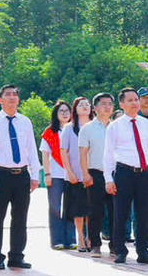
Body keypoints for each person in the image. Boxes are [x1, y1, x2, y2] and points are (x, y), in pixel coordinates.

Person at [0, 84, 41, 270]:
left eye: (15, 94)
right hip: (0, 174)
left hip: (21, 174)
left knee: (20, 217)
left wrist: (35, 173)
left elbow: (31, 148)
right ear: (0, 100)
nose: (12, 97)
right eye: (7, 95)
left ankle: (16, 256)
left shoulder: (25, 121)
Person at [102, 88, 148, 264]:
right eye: (130, 100)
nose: (135, 103)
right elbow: (108, 154)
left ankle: (143, 251)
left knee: (144, 214)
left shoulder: (147, 124)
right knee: (121, 213)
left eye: (136, 99)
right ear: (121, 104)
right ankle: (120, 250)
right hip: (124, 173)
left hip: (144, 173)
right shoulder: (115, 126)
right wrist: (108, 179)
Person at [79, 92, 114, 256]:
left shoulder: (117, 127)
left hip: (115, 174)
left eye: (110, 104)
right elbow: (83, 153)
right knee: (95, 211)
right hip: (95, 173)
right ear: (95, 108)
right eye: (103, 104)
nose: (107, 107)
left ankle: (116, 244)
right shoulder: (87, 128)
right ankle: (95, 244)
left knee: (116, 211)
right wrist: (85, 174)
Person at [40, 100, 75, 250]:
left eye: (67, 111)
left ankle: (71, 239)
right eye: (61, 111)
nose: (65, 113)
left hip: (72, 174)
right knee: (55, 207)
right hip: (55, 174)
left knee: (70, 206)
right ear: (56, 114)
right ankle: (57, 240)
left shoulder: (75, 130)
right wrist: (47, 174)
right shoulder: (50, 132)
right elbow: (45, 154)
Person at [61, 97, 92, 251]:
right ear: (75, 108)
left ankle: (90, 237)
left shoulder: (95, 126)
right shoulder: (69, 128)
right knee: (78, 209)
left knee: (92, 208)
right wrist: (69, 171)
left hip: (93, 174)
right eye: (81, 105)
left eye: (87, 104)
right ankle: (80, 236)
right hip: (75, 175)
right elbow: (64, 152)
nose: (85, 107)